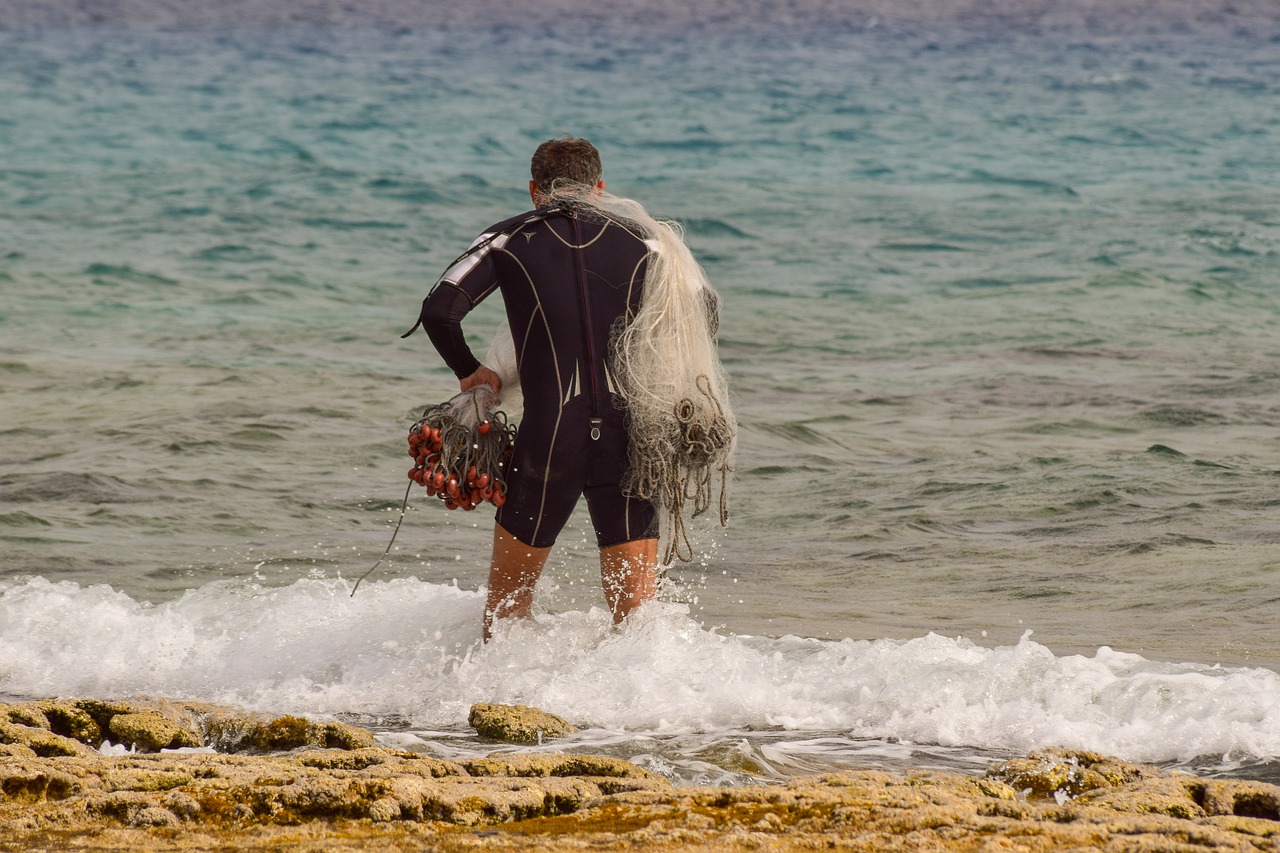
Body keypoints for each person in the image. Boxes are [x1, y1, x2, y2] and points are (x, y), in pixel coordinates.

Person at [413, 137, 671, 640]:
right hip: (631, 438)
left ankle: (499, 705)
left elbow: (439, 311)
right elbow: (703, 312)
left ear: (534, 190)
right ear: (600, 189)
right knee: (638, 623)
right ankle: (631, 716)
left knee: (506, 612)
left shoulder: (507, 238)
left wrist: (469, 370)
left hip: (550, 440)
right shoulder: (651, 241)